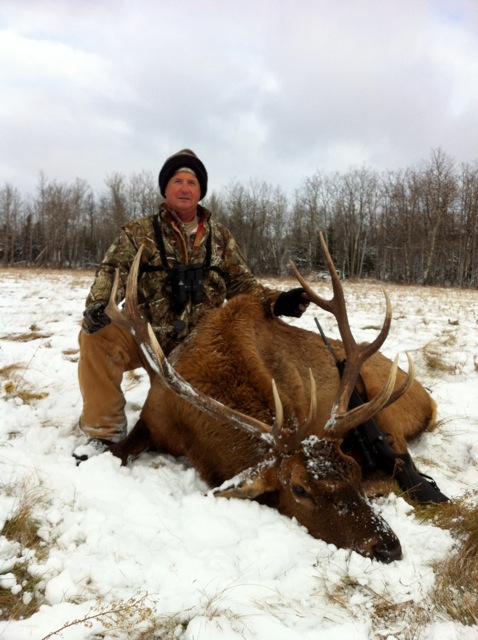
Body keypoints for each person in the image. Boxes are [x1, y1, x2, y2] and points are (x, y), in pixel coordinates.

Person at [75, 149, 309, 460]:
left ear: (200, 191)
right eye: (177, 181)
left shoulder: (220, 238)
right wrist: (98, 305)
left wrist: (278, 302)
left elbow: (242, 285)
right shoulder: (138, 234)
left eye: (192, 182)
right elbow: (111, 273)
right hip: (149, 339)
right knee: (96, 336)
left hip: (201, 350)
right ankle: (102, 432)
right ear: (165, 188)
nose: (185, 188)